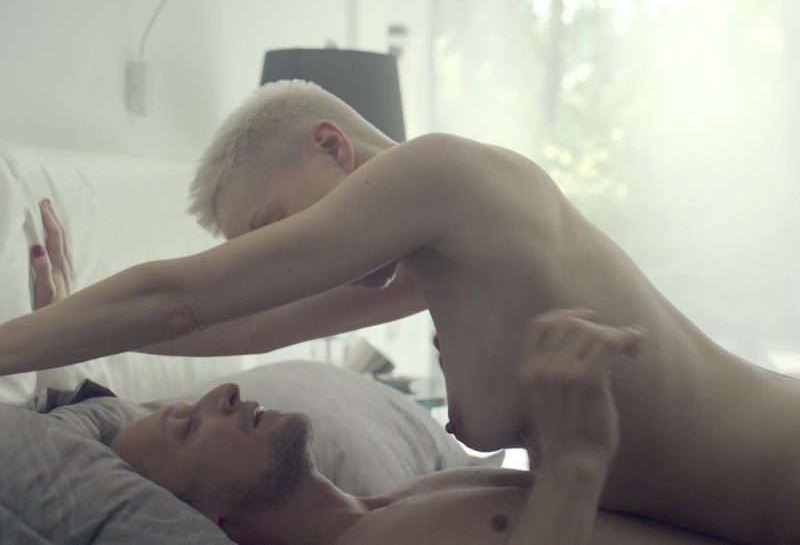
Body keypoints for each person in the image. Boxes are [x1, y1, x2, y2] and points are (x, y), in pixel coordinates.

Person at [0, 79, 797, 542]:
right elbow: (229, 322)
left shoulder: (437, 173)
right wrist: (64, 347)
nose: (279, 265)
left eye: (274, 229)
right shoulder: (436, 263)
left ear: (332, 145)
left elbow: (178, 301)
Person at [112, 314, 724, 544]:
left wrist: (537, 420)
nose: (221, 392)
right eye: (187, 427)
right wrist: (574, 461)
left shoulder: (408, 497)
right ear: (208, 519)